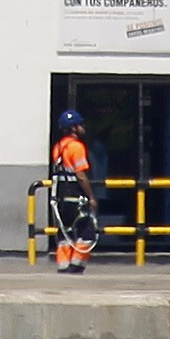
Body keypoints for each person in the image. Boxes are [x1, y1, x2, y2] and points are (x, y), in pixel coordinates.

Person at [48, 109, 100, 274]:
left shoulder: (58, 147)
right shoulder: (76, 147)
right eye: (81, 124)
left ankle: (63, 266)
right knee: (87, 233)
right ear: (74, 128)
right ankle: (76, 265)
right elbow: (81, 174)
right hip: (75, 196)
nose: (83, 127)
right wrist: (91, 197)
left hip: (61, 197)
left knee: (66, 232)